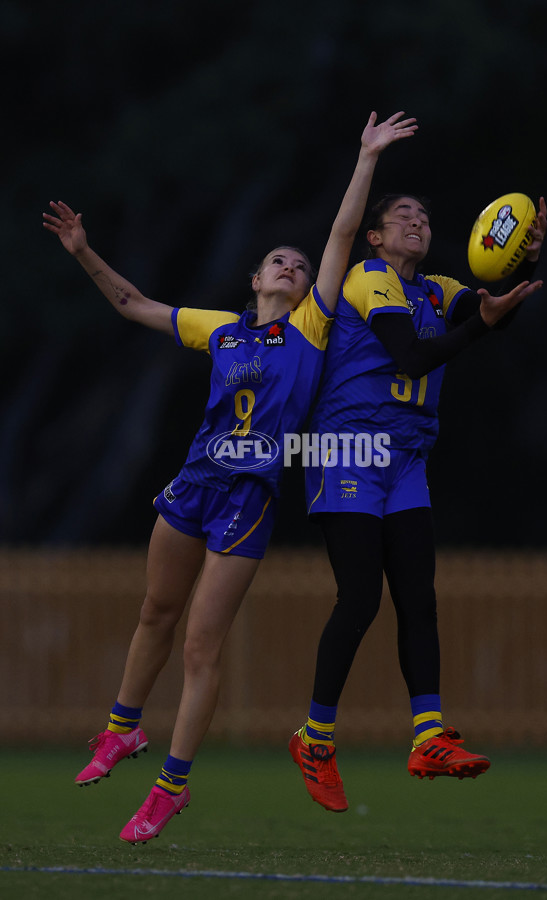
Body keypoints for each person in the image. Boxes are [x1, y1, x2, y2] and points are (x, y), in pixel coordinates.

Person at [42, 109, 417, 843]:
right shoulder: (223, 328)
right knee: (155, 612)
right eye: (279, 261)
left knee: (200, 647)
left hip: (247, 497)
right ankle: (121, 729)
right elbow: (134, 304)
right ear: (254, 279)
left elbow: (342, 235)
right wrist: (83, 251)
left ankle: (171, 787)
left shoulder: (309, 327)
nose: (293, 267)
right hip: (193, 482)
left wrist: (367, 156)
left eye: (301, 266)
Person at [290, 190, 547, 812]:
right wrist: (480, 326)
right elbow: (410, 354)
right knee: (360, 595)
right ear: (374, 237)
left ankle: (428, 734)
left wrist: (523, 264)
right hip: (348, 449)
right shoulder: (368, 277)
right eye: (402, 216)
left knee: (418, 598)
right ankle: (316, 737)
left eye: (426, 217)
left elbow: (494, 311)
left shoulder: (437, 287)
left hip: (405, 457)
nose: (418, 222)